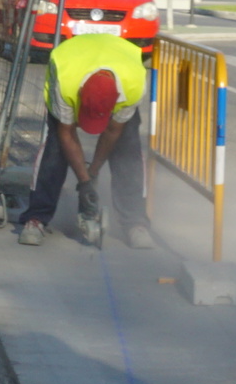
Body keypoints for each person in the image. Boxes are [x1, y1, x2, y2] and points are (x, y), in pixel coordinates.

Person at [13, 29, 157, 248]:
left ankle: (135, 222)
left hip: (118, 61)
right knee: (54, 147)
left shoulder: (134, 84)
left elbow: (112, 132)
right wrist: (84, 182)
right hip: (72, 65)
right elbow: (66, 131)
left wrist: (93, 172)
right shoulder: (66, 78)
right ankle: (36, 218)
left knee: (128, 147)